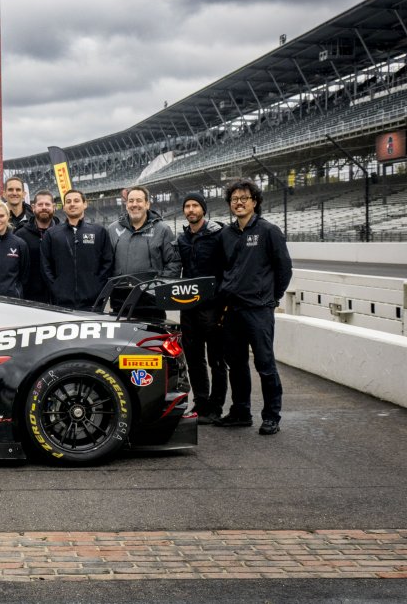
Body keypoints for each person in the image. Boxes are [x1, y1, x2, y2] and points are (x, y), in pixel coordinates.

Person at [216, 179, 293, 436]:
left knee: (265, 364)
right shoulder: (226, 234)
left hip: (259, 309)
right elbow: (223, 270)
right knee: (236, 364)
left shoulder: (269, 231)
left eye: (244, 198)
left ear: (255, 202)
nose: (239, 203)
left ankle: (271, 416)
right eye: (234, 199)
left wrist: (271, 298)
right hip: (233, 310)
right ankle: (241, 412)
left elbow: (284, 269)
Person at [176, 191, 228, 425]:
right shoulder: (182, 239)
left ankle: (216, 407)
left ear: (203, 210)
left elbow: (228, 268)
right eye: (187, 206)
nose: (191, 210)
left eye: (195, 205)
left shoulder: (219, 235)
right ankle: (201, 402)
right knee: (194, 359)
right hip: (188, 308)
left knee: (217, 360)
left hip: (213, 308)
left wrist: (223, 302)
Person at [106, 185, 181, 318]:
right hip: (120, 304)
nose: (134, 204)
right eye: (131, 201)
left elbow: (173, 262)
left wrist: (158, 288)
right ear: (126, 205)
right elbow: (106, 263)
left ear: (147, 204)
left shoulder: (162, 229)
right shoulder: (112, 229)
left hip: (152, 304)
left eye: (139, 200)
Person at [40, 189, 114, 310]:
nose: (72, 204)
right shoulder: (52, 234)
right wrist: (56, 287)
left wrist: (96, 287)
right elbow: (45, 265)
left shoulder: (99, 232)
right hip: (61, 302)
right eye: (68, 201)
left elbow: (107, 263)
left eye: (76, 201)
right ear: (64, 207)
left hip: (93, 303)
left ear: (85, 204)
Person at [14, 190, 58, 303]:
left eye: (47, 204)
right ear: (33, 207)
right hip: (29, 298)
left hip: (57, 297)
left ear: (54, 207)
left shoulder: (62, 233)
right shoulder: (20, 235)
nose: (44, 207)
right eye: (40, 204)